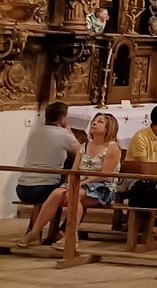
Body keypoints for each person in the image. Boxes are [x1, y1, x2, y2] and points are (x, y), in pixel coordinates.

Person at [20, 112, 121, 248]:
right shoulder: (83, 146)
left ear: (109, 128)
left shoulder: (112, 147)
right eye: (94, 120)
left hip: (101, 187)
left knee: (75, 194)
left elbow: (105, 175)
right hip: (80, 185)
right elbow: (74, 171)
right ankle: (34, 232)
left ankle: (70, 236)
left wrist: (79, 184)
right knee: (57, 193)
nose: (94, 123)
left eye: (100, 122)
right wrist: (70, 184)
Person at [16, 101, 80, 209]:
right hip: (45, 189)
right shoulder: (63, 134)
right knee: (73, 158)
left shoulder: (34, 132)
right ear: (62, 119)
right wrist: (69, 132)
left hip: (22, 189)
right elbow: (81, 152)